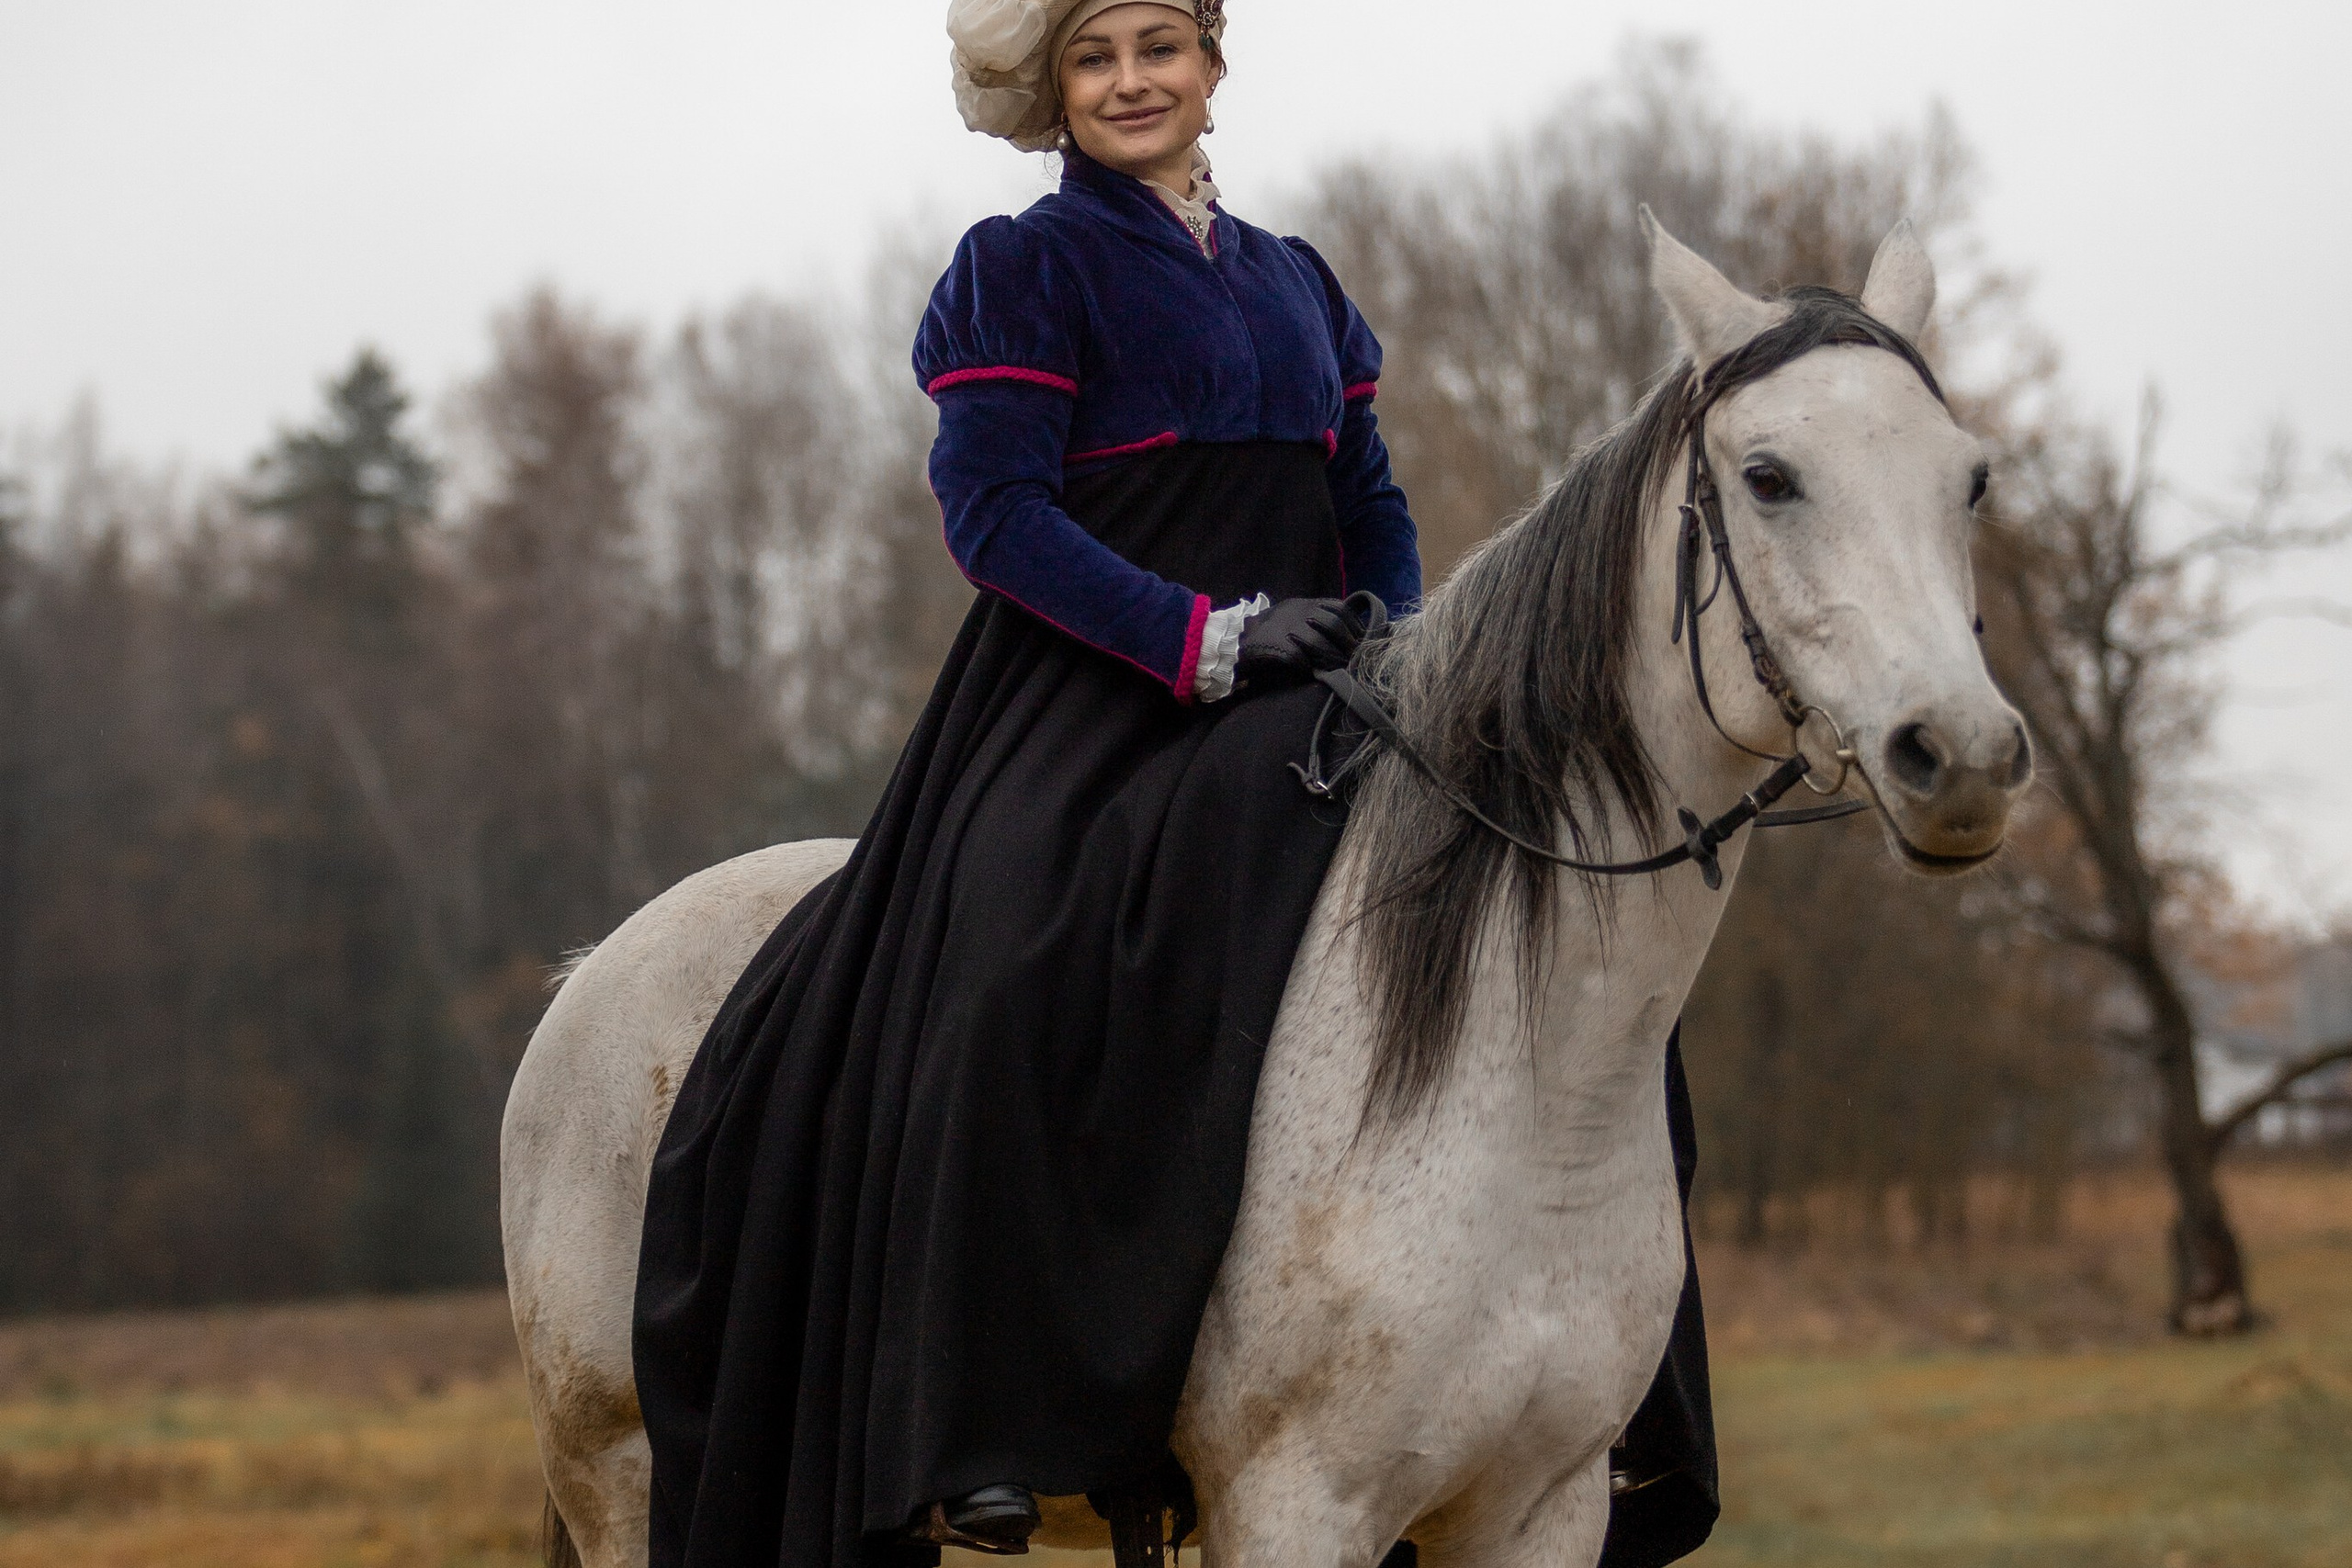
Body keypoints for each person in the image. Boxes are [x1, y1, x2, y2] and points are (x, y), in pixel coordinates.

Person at [632, 5, 1713, 1565]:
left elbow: (1368, 497)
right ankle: (982, 1421)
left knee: (1550, 926)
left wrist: (1405, 648)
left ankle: (1620, 1383)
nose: (1131, 81)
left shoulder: (1297, 280)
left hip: (1320, 679)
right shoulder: (1022, 268)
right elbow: (996, 517)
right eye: (1096, 57)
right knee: (1009, 963)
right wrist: (1202, 635)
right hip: (1087, 692)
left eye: (1160, 46)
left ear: (1212, 65)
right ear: (1056, 89)